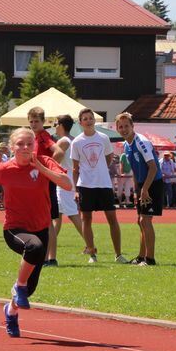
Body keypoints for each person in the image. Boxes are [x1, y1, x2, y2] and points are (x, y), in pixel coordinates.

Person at [0, 127, 72, 338]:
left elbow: (67, 184)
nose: (25, 147)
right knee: (34, 247)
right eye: (20, 144)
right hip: (15, 229)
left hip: (41, 227)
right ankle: (19, 287)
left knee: (30, 287)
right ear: (11, 147)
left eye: (29, 143)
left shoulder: (45, 162)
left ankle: (11, 311)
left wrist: (41, 168)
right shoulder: (4, 169)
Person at [70, 107, 125, 264]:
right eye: (85, 119)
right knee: (86, 219)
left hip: (104, 184)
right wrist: (75, 189)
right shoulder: (77, 142)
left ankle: (118, 255)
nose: (88, 121)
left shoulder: (103, 138)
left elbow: (109, 158)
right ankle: (92, 254)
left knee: (112, 218)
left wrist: (100, 170)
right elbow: (75, 168)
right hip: (85, 185)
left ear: (94, 120)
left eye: (90, 118)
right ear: (80, 123)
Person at [115, 112, 161, 266]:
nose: (124, 129)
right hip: (142, 185)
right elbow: (135, 170)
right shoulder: (127, 145)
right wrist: (137, 190)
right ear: (117, 129)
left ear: (132, 126)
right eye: (121, 127)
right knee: (140, 221)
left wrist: (145, 189)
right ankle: (141, 257)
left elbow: (153, 168)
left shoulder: (141, 142)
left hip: (152, 183)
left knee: (145, 220)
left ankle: (150, 259)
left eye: (126, 126)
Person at [27, 107, 63, 267]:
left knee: (47, 221)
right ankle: (45, 257)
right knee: (41, 220)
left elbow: (59, 152)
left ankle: (51, 258)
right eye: (31, 121)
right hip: (37, 183)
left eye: (36, 121)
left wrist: (48, 170)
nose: (34, 124)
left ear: (43, 122)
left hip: (45, 183)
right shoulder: (34, 137)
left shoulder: (43, 136)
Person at [51, 115, 87, 261]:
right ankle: (49, 244)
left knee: (73, 215)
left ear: (61, 125)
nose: (54, 126)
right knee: (57, 216)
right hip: (70, 180)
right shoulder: (74, 139)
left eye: (55, 123)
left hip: (64, 182)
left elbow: (54, 161)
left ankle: (90, 244)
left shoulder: (64, 141)